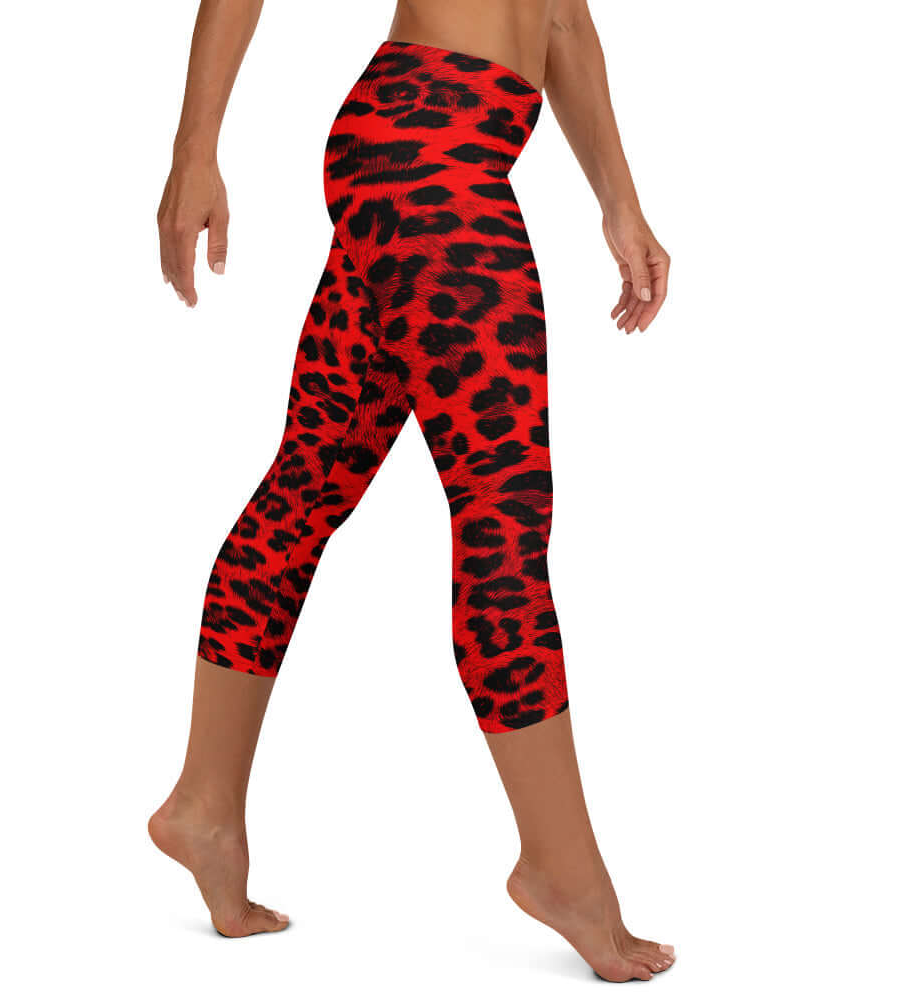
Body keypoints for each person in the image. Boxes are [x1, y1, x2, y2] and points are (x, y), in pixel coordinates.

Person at [150, 0, 673, 982]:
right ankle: (563, 868)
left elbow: (559, 15)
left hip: (431, 146)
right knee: (503, 517)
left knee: (307, 484)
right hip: (433, 154)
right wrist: (195, 151)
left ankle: (204, 806)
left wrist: (618, 200)